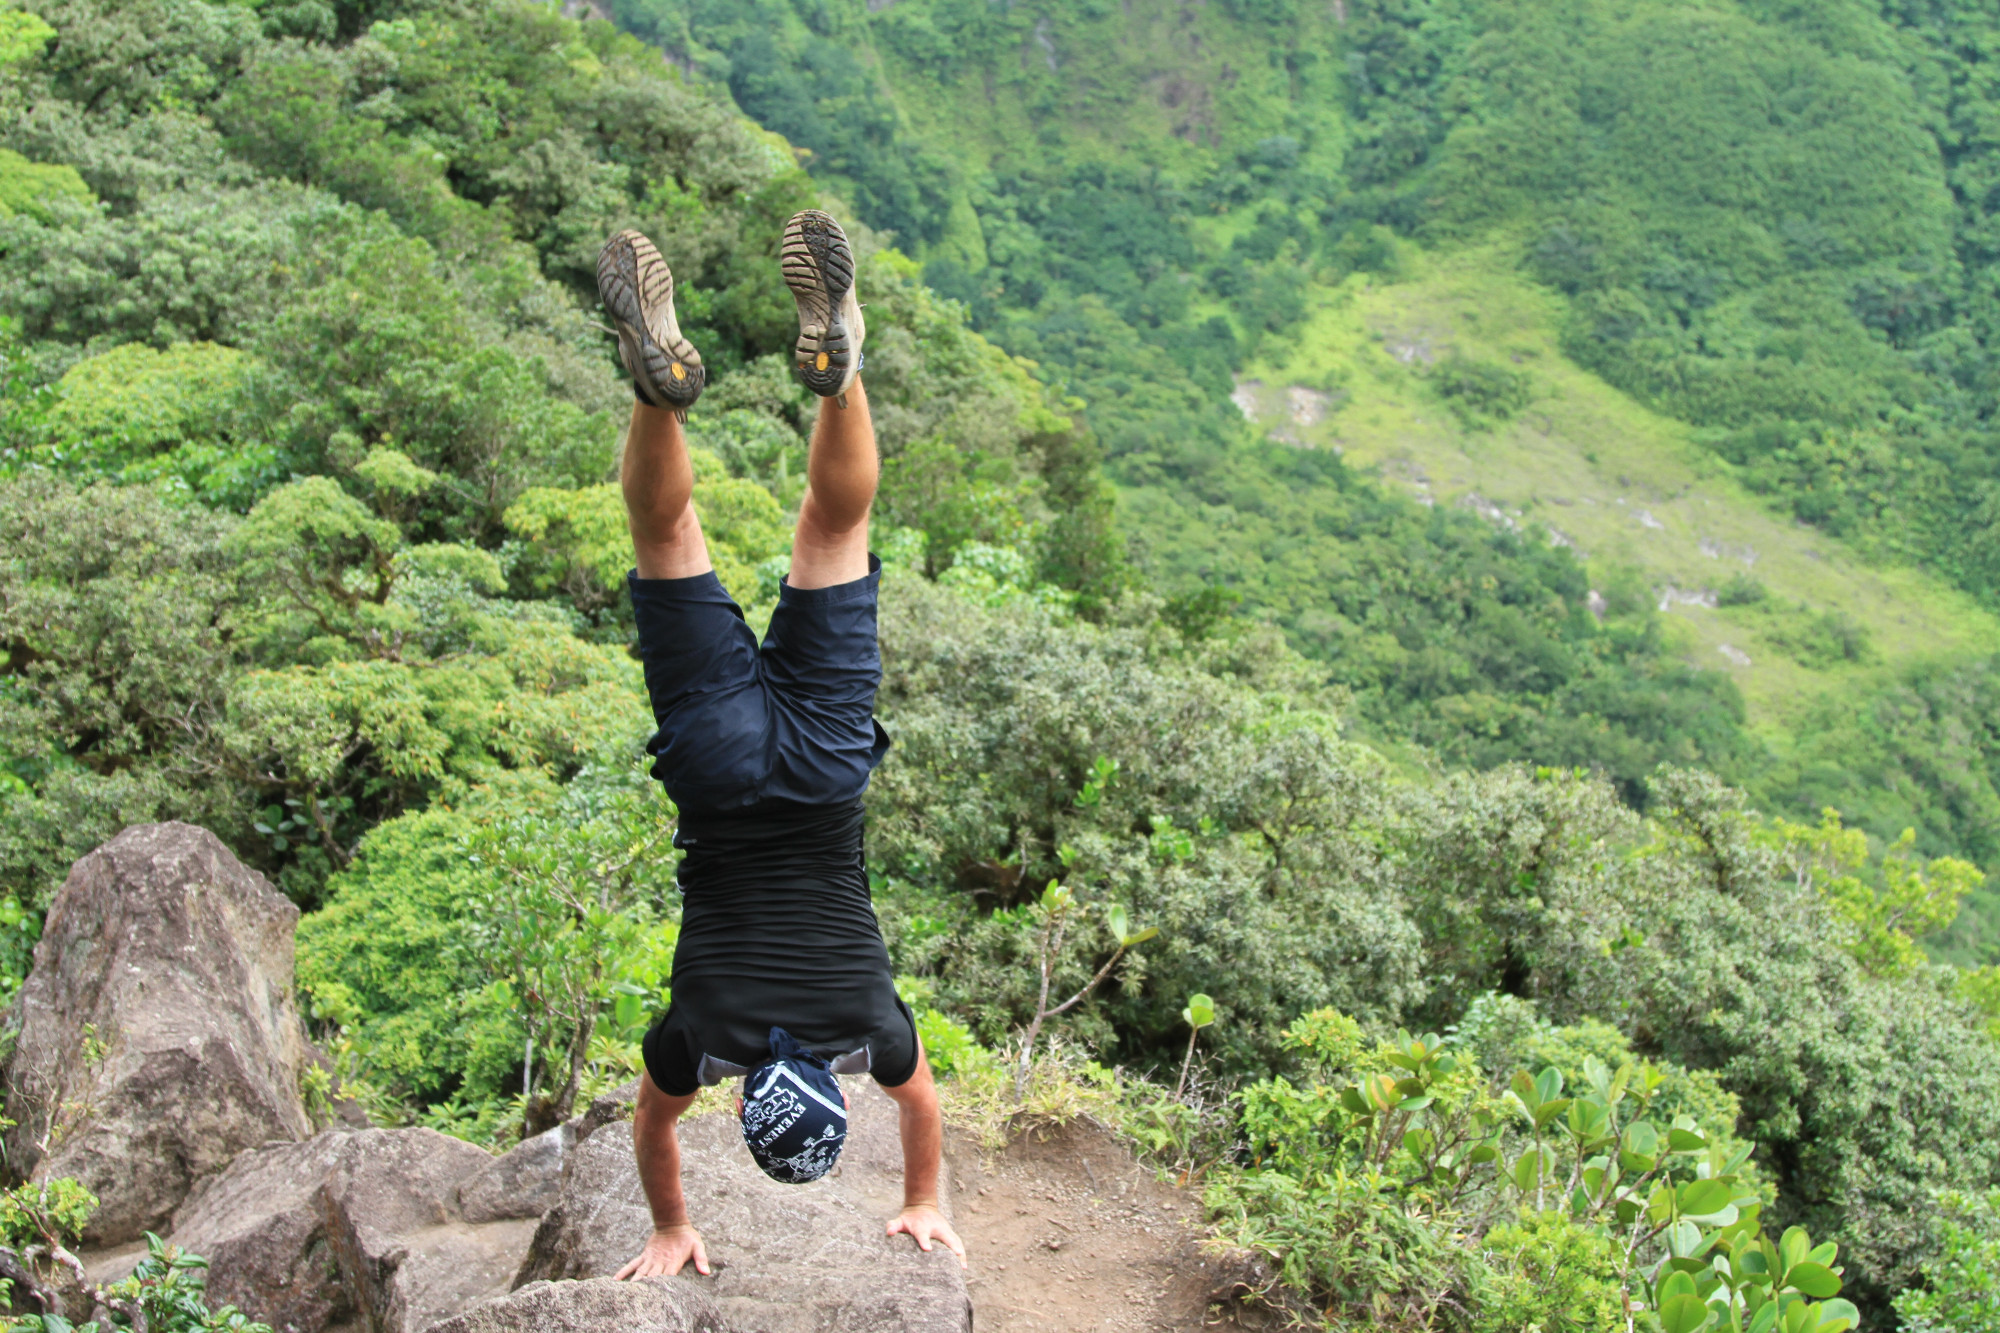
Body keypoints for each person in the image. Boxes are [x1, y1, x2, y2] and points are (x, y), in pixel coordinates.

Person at [592, 210, 967, 1280]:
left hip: (824, 769)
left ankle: (837, 377)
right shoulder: (696, 1043)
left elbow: (923, 1105)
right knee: (667, 537)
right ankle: (652, 393)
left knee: (831, 531)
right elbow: (655, 1127)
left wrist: (923, 1199)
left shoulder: (870, 1034)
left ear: (832, 1097)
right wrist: (672, 1226)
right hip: (716, 773)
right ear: (746, 1095)